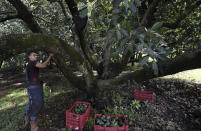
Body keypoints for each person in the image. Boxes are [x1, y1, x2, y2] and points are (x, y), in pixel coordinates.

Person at [25, 51, 54, 131]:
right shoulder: (32, 63)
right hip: (34, 89)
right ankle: (33, 125)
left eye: (36, 55)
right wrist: (50, 56)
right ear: (29, 57)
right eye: (34, 55)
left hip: (33, 87)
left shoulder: (30, 65)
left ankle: (27, 117)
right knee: (37, 104)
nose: (36, 56)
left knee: (31, 102)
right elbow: (44, 65)